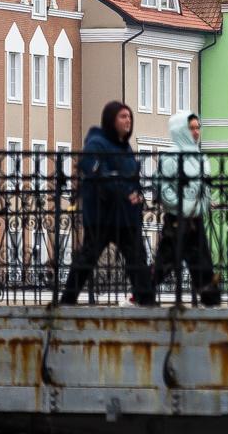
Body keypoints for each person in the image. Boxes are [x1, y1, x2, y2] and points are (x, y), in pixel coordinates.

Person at [60, 101, 156, 306]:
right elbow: (92, 168)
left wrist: (137, 195)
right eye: (123, 116)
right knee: (88, 258)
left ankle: (146, 301)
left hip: (125, 216)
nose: (128, 120)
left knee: (137, 258)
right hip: (102, 216)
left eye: (129, 116)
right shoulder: (97, 143)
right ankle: (67, 301)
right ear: (111, 120)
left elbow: (131, 176)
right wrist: (123, 190)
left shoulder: (125, 146)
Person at [151, 112, 221, 307]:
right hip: (177, 218)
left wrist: (205, 203)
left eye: (198, 127)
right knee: (165, 263)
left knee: (202, 263)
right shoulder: (171, 156)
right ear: (181, 130)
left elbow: (203, 187)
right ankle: (141, 295)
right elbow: (163, 189)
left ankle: (211, 302)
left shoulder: (200, 157)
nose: (196, 132)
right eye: (191, 128)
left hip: (196, 218)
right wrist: (183, 205)